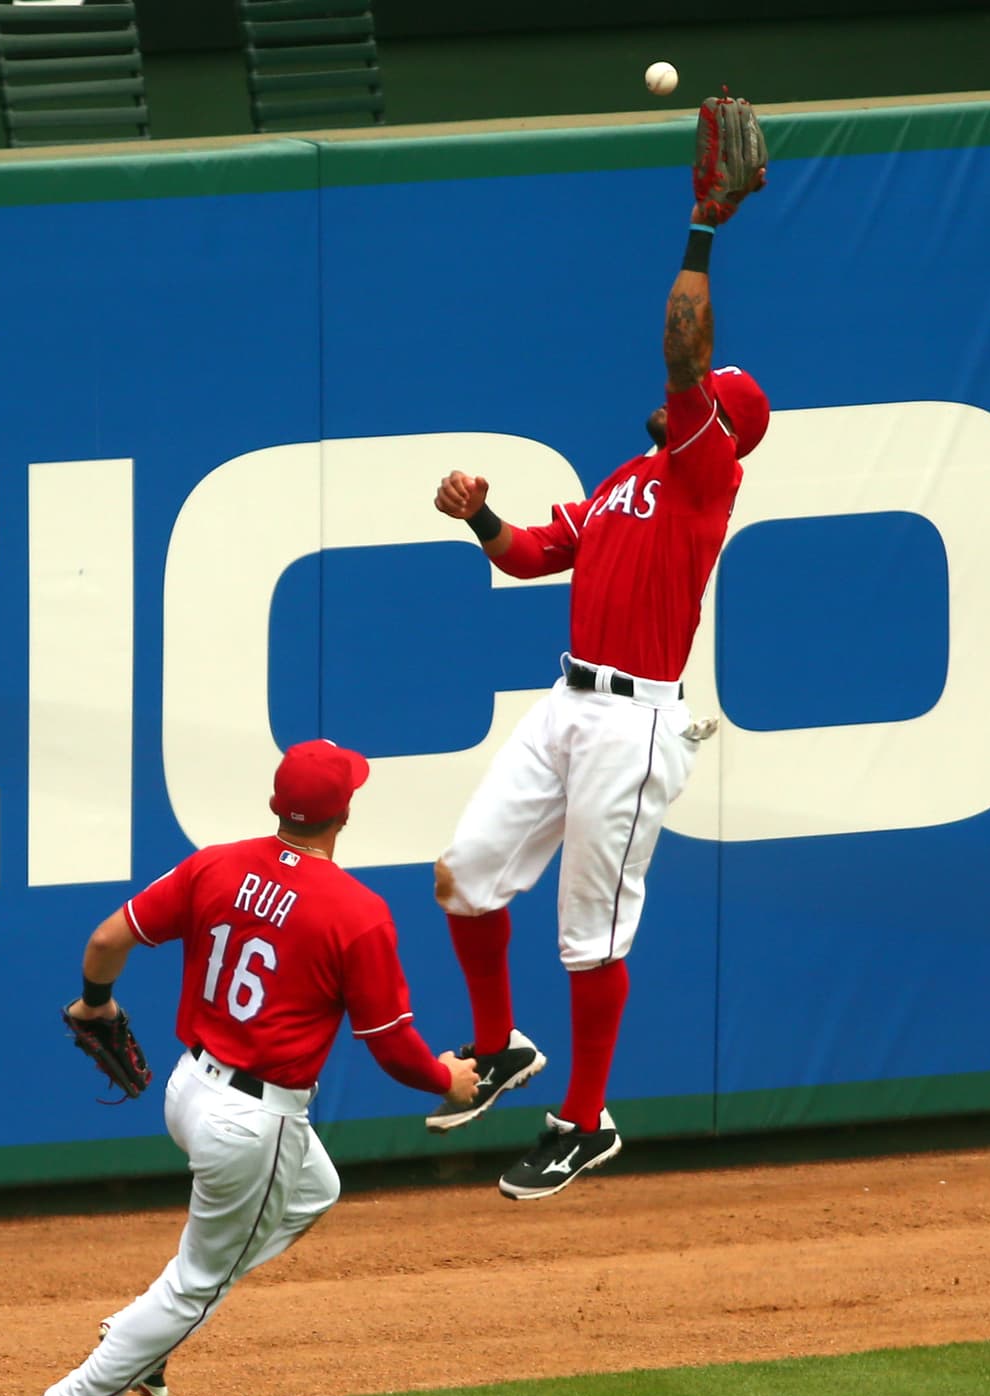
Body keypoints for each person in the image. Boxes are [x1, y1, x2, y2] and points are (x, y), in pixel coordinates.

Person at [424, 115, 770, 1201]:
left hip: (635, 724)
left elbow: (680, 346)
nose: (684, 390)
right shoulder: (628, 477)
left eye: (703, 392)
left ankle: (582, 1117)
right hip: (567, 701)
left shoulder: (705, 472)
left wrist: (702, 226)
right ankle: (497, 1047)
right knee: (464, 874)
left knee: (588, 937)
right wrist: (483, 522)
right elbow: (534, 554)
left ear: (717, 418)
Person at [15, 738, 479, 1396]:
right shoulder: (357, 912)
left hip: (189, 1086)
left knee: (316, 1187)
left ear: (275, 805)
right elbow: (392, 1047)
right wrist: (447, 1080)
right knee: (195, 1288)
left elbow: (107, 938)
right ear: (345, 813)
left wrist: (97, 1005)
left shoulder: (216, 863)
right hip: (251, 1120)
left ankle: (144, 1326)